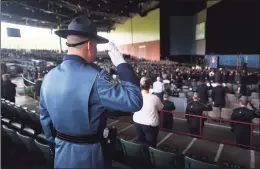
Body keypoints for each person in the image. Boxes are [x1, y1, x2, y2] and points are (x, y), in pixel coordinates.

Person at [39, 16, 143, 169]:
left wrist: (56, 144)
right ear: (89, 45)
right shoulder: (97, 77)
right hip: (90, 157)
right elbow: (134, 101)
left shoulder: (49, 76)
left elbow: (45, 120)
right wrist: (121, 64)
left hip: (61, 154)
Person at [133, 77, 164, 148]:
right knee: (151, 145)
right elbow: (161, 108)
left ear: (140, 85)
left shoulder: (135, 96)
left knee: (139, 143)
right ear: (150, 86)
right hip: (150, 124)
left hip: (137, 122)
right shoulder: (154, 98)